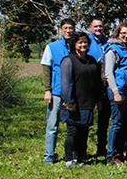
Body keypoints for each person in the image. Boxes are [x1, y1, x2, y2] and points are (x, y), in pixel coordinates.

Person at [60, 32, 103, 166]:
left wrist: (98, 100)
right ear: (74, 44)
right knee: (73, 131)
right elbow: (66, 83)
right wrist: (69, 102)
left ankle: (81, 157)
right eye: (80, 42)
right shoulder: (68, 60)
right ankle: (69, 158)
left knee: (84, 131)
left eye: (85, 42)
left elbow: (97, 82)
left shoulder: (91, 60)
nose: (83, 45)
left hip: (88, 101)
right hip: (74, 102)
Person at [40, 18, 75, 163]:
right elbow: (46, 69)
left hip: (72, 93)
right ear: (60, 30)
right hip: (56, 92)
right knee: (53, 125)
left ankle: (72, 154)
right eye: (65, 28)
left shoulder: (76, 47)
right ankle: (49, 156)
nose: (68, 31)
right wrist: (47, 89)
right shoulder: (52, 47)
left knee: (72, 126)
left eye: (70, 28)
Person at [103, 23, 127, 165]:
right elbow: (108, 73)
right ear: (117, 33)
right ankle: (111, 154)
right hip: (118, 90)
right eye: (123, 33)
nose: (126, 36)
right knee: (116, 123)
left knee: (125, 123)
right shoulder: (113, 50)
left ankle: (120, 152)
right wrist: (115, 91)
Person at [86, 17, 109, 157]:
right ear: (90, 28)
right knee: (86, 117)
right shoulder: (87, 42)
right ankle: (81, 149)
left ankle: (101, 147)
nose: (98, 29)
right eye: (95, 27)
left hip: (104, 86)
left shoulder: (108, 42)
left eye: (100, 26)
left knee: (104, 118)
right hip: (89, 85)